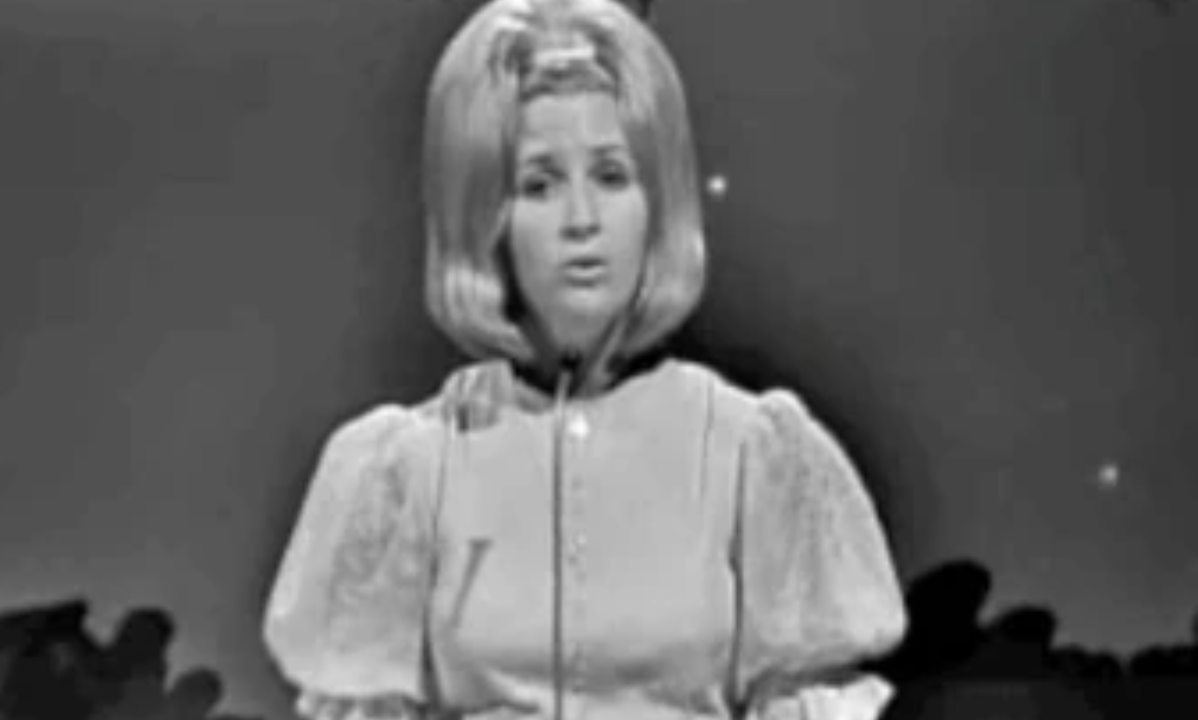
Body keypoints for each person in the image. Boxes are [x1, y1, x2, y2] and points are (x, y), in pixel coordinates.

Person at [261, 1, 907, 719]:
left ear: (656, 203)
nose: (582, 221)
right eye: (539, 185)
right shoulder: (409, 470)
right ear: (486, 217)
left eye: (611, 176)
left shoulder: (749, 453)